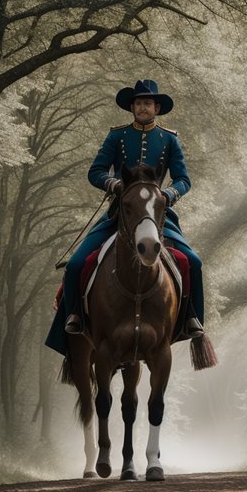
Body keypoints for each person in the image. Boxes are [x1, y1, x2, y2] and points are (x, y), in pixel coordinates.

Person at [45, 79, 205, 356]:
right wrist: (115, 185)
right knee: (75, 265)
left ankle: (191, 318)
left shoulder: (170, 139)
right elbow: (95, 171)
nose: (143, 107)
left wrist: (167, 194)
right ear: (132, 107)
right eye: (138, 103)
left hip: (157, 214)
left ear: (157, 108)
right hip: (120, 213)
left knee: (193, 261)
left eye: (148, 103)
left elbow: (183, 179)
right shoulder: (116, 137)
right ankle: (75, 317)